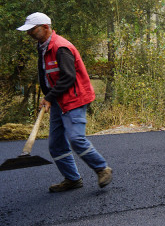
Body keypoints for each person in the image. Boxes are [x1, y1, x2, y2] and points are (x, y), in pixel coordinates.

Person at [17, 12, 113, 193]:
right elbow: (48, 75)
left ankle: (102, 169)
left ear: (45, 27)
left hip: (74, 99)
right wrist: (48, 97)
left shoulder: (61, 47)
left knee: (76, 138)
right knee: (56, 145)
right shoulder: (43, 47)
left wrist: (49, 97)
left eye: (32, 29)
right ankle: (72, 179)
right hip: (58, 100)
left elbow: (68, 77)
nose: (29, 33)